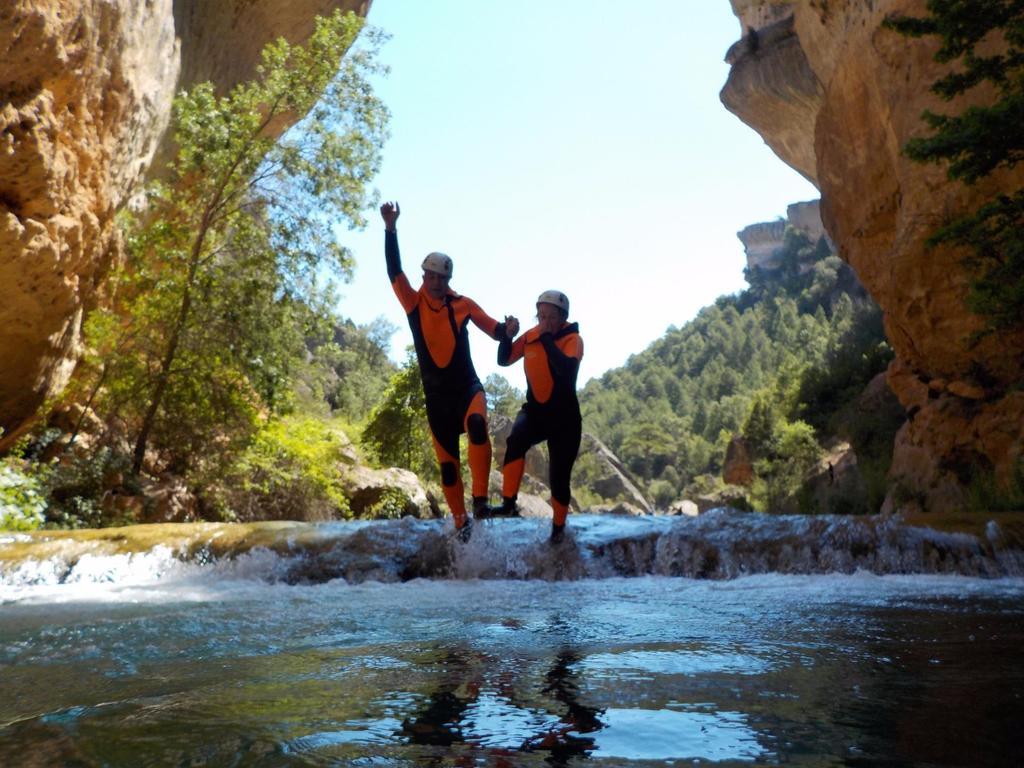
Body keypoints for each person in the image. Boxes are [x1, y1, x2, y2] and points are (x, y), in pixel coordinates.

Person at [380, 201, 518, 541]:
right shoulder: (413, 303)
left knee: (476, 425)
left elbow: (495, 330)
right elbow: (393, 271)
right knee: (447, 467)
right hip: (437, 399)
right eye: (431, 276)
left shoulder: (463, 304)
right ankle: (461, 526)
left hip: (467, 389)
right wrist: (390, 228)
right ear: (424, 276)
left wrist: (509, 329)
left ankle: (481, 502)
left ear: (448, 280)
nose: (435, 282)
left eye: (441, 278)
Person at [488, 290, 583, 543]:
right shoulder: (530, 336)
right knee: (516, 438)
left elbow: (565, 369)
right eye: (541, 316)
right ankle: (508, 504)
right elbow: (504, 360)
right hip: (536, 412)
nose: (545, 322)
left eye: (551, 317)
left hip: (565, 418)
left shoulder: (573, 339)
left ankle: (558, 531)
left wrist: (547, 339)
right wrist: (507, 337)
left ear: (563, 317)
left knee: (559, 480)